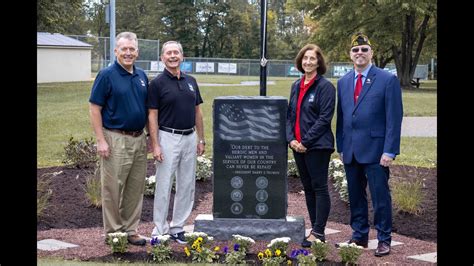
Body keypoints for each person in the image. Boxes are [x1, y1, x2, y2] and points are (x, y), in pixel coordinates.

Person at [335, 33, 403, 257]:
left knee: (380, 198)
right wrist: (341, 146)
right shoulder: (343, 82)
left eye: (364, 49)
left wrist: (390, 150)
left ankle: (384, 239)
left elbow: (394, 117)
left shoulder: (386, 79)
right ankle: (359, 236)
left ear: (371, 53)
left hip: (376, 151)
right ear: (350, 55)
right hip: (351, 151)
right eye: (356, 50)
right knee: (355, 197)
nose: (360, 53)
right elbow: (343, 117)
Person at [89, 32, 148, 246]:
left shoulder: (141, 76)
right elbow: (95, 108)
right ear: (116, 51)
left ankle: (130, 230)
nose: (128, 53)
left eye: (132, 49)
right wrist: (100, 140)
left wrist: (149, 136)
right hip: (115, 138)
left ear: (137, 52)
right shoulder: (106, 75)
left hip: (139, 138)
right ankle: (114, 232)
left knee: (135, 187)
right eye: (124, 49)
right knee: (113, 188)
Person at [147, 41, 205, 244]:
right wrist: (155, 144)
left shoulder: (191, 81)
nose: (173, 56)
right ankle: (160, 228)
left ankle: (178, 227)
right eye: (168, 53)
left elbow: (198, 111)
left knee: (187, 184)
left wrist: (201, 138)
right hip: (167, 137)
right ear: (162, 58)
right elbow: (152, 115)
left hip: (190, 137)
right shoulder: (156, 83)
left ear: (182, 56)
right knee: (164, 184)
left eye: (176, 53)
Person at [286, 44, 336, 248]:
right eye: (305, 58)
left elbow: (325, 118)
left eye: (312, 59)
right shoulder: (296, 85)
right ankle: (315, 229)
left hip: (317, 147)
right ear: (300, 61)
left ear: (319, 62)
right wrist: (291, 140)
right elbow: (289, 115)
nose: (308, 62)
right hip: (297, 146)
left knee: (319, 187)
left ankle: (319, 231)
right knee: (308, 188)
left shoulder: (325, 87)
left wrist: (305, 142)